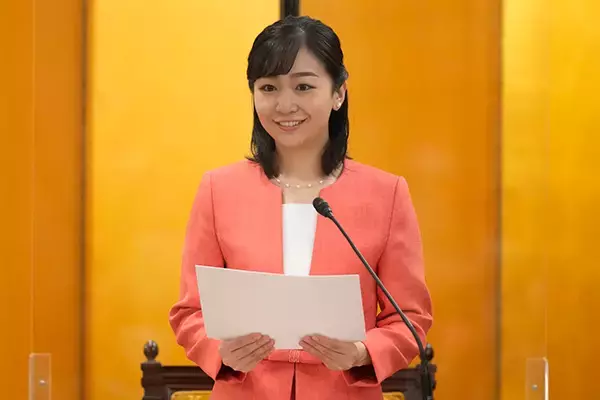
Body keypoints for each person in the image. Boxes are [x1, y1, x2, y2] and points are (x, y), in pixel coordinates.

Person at [169, 15, 433, 400]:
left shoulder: (386, 193)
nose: (285, 104)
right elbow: (189, 313)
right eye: (268, 87)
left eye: (304, 86)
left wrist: (361, 352)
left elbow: (409, 317)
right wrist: (220, 351)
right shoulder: (218, 189)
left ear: (338, 93)